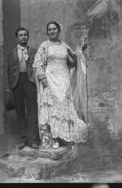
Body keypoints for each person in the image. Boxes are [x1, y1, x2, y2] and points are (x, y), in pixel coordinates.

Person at [33, 21, 88, 149]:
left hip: (63, 80)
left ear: (59, 31)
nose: (52, 31)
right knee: (53, 109)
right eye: (50, 29)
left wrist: (80, 51)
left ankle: (66, 137)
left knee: (64, 107)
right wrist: (43, 80)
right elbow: (37, 64)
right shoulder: (44, 46)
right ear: (47, 32)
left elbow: (73, 62)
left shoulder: (64, 46)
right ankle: (55, 138)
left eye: (54, 29)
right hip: (50, 79)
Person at [4, 27, 39, 149]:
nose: (23, 37)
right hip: (16, 83)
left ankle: (33, 140)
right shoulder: (11, 52)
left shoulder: (34, 51)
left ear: (28, 37)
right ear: (17, 37)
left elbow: (38, 67)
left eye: (25, 35)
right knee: (20, 112)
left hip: (30, 81)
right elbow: (7, 71)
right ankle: (23, 139)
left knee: (32, 111)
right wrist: (8, 88)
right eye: (21, 35)